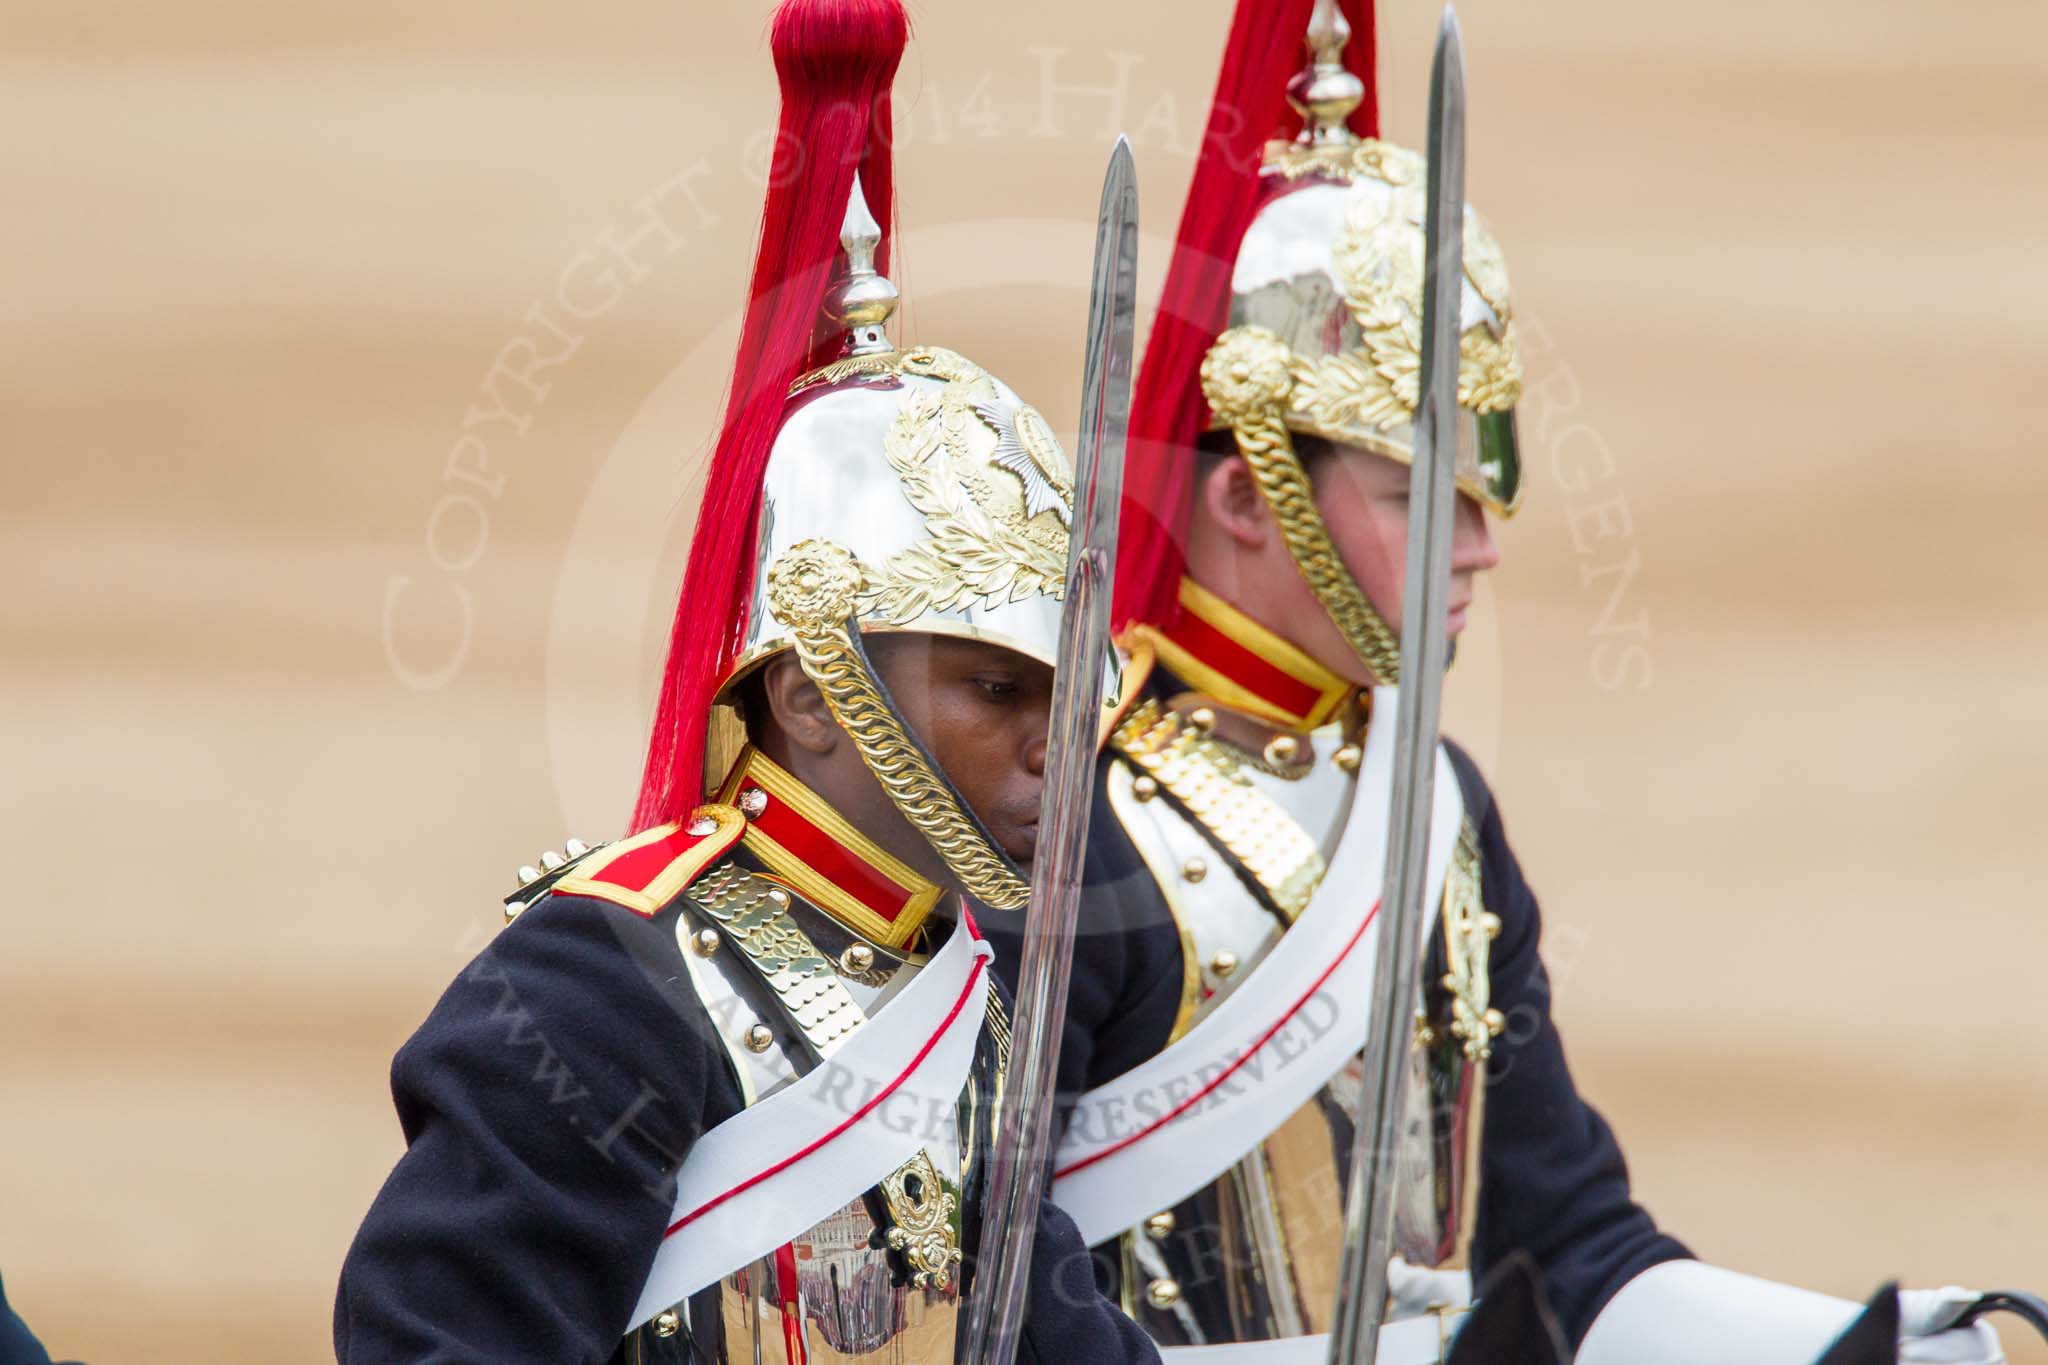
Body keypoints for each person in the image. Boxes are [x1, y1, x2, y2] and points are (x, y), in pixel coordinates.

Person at [989, 1, 2011, 1360]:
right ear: (1248, 495)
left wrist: (1850, 1342)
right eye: (1418, 495)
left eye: (1480, 491)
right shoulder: (1074, 821)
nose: (1476, 544)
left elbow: (1577, 1248)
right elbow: (999, 1290)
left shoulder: (1435, 800)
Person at [333, 2, 1159, 1361]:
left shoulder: (960, 983)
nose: (1047, 746)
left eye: (1057, 695)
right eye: (995, 688)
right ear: (812, 695)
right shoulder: (602, 988)